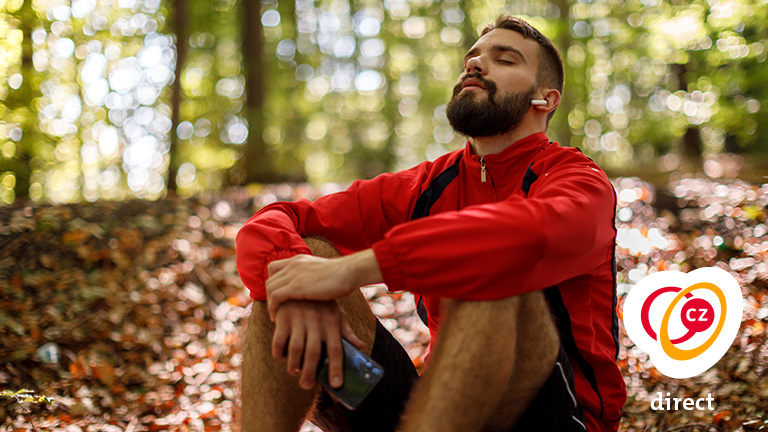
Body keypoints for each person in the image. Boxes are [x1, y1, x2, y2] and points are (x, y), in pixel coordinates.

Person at [236, 14, 626, 432]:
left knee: (495, 275)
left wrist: (351, 270)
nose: (475, 64)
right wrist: (297, 293)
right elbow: (278, 220)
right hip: (433, 414)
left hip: (555, 418)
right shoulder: (427, 185)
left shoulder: (578, 180)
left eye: (504, 59)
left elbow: (528, 237)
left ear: (545, 100)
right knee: (293, 266)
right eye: (473, 57)